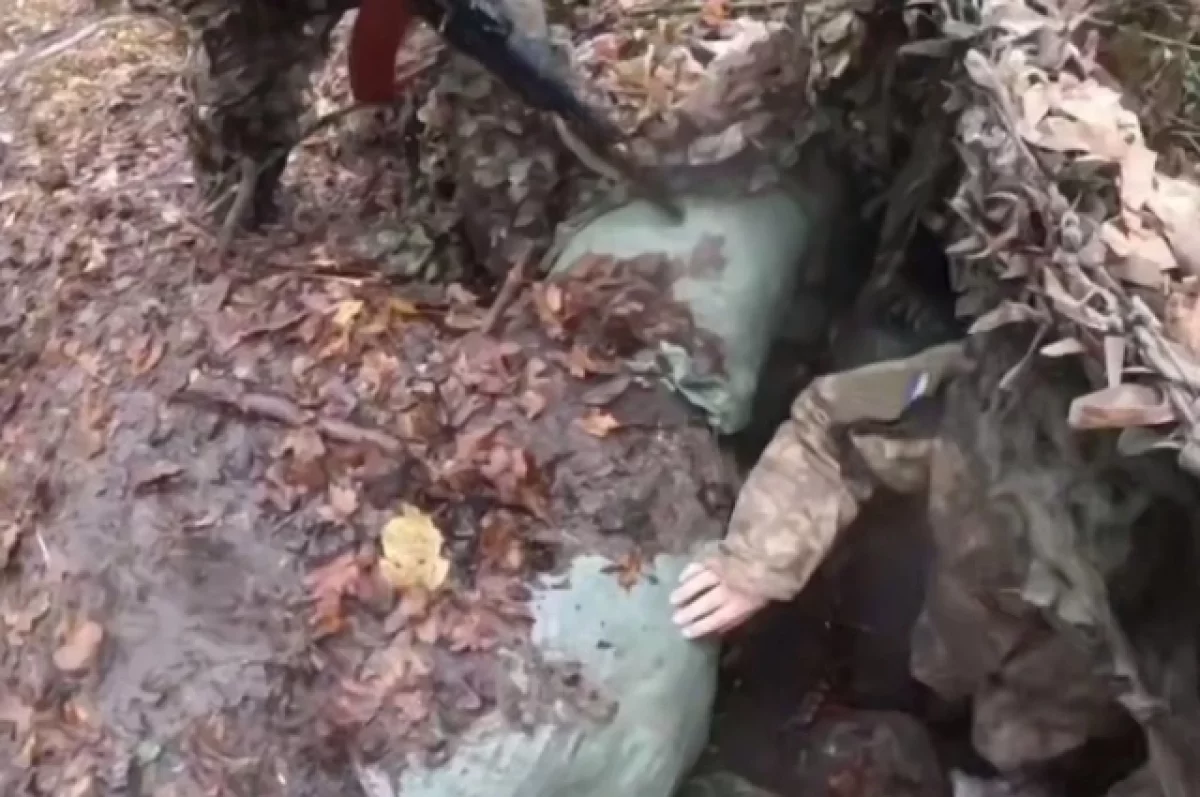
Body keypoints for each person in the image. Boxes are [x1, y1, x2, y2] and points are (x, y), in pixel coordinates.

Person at [670, 313, 1200, 792]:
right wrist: (758, 560)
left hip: (1060, 723)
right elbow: (836, 428)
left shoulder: (1177, 611)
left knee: (1021, 747)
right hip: (950, 640)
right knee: (917, 671)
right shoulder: (1005, 400)